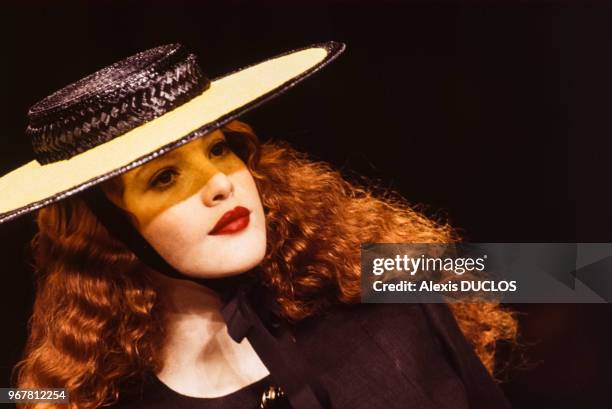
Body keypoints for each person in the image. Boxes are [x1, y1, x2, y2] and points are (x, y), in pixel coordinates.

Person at [1, 42, 517, 409]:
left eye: (219, 149)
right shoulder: (85, 396)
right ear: (106, 232)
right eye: (164, 178)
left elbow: (580, 271)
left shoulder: (377, 274)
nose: (222, 184)